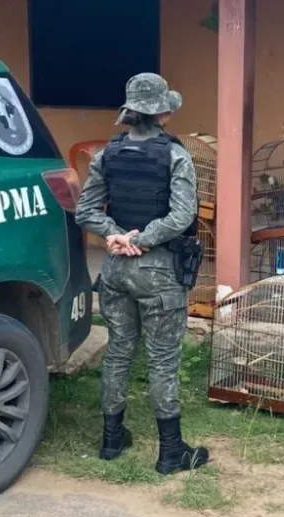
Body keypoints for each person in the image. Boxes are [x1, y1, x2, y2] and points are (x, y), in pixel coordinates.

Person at [75, 73, 209, 475]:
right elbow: (183, 215)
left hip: (116, 269)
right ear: (163, 113)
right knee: (162, 360)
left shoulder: (107, 153)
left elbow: (86, 212)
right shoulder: (175, 155)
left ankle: (111, 440)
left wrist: (117, 236)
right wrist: (145, 239)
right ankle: (171, 452)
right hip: (158, 271)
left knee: (118, 351)